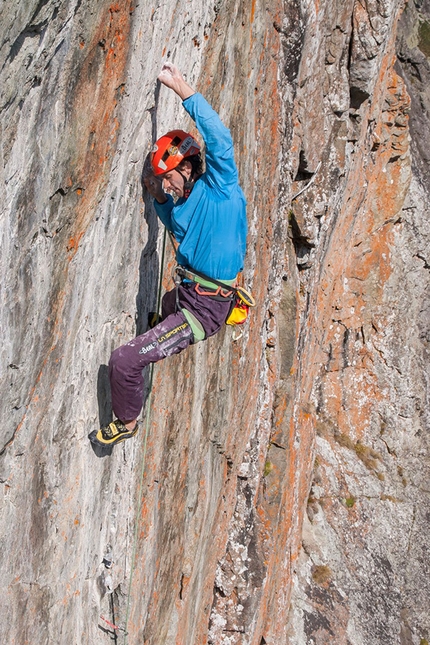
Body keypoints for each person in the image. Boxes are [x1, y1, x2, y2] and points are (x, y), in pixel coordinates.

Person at [89, 63, 247, 447]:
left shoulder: (223, 187)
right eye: (163, 178)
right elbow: (167, 214)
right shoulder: (179, 208)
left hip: (204, 309)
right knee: (164, 303)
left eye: (171, 175)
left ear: (190, 167)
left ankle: (127, 423)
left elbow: (221, 141)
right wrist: (158, 193)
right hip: (190, 296)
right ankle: (160, 332)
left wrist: (184, 90)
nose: (167, 183)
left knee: (125, 362)